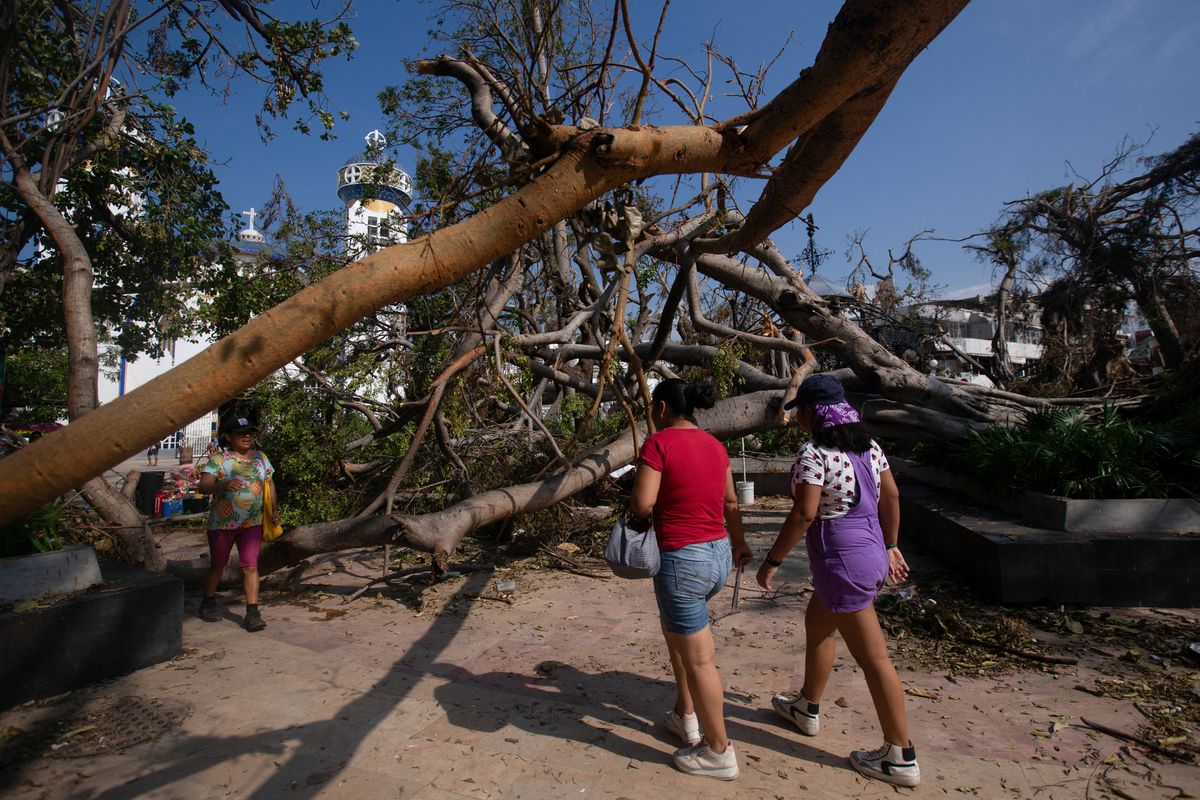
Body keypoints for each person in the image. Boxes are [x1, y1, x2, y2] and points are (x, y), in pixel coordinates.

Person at [756, 373, 918, 787]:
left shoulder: (814, 454)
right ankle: (806, 705)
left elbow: (804, 514)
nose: (799, 420)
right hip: (869, 552)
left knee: (874, 659)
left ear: (811, 412)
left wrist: (772, 560)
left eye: (802, 412)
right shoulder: (870, 449)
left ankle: (899, 755)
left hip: (841, 561)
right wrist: (891, 545)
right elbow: (893, 496)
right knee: (818, 626)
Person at [630, 379, 752, 780]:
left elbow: (643, 503)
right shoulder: (716, 446)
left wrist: (638, 522)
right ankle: (687, 716)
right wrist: (740, 545)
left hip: (682, 560)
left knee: (699, 658)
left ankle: (718, 751)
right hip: (717, 554)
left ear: (663, 408)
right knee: (676, 634)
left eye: (652, 405)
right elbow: (730, 502)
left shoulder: (658, 444)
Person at [196, 416, 278, 632]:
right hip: (222, 525)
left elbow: (269, 483)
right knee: (218, 565)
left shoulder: (260, 458)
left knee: (250, 566)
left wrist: (274, 511)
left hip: (252, 523)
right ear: (229, 437)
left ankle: (252, 612)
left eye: (250, 433)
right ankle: (209, 600)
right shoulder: (219, 460)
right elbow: (203, 486)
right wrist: (222, 484)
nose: (247, 437)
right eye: (242, 433)